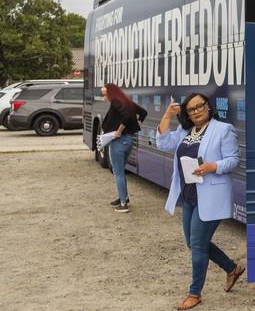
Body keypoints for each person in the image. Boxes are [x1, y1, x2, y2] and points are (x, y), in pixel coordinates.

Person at [157, 93, 245, 310]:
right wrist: (168, 115)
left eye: (200, 107)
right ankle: (232, 268)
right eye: (191, 109)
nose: (196, 112)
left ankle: (194, 293)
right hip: (189, 196)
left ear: (208, 107)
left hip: (211, 195)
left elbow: (234, 159)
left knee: (197, 245)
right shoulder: (185, 131)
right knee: (193, 243)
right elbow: (163, 143)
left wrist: (212, 167)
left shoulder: (223, 129)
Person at [101, 83, 147, 213]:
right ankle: (124, 197)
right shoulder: (126, 101)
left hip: (118, 142)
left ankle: (123, 204)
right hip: (128, 141)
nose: (104, 97)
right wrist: (136, 125)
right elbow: (143, 113)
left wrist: (119, 130)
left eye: (105, 95)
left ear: (111, 93)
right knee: (121, 171)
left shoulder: (116, 102)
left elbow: (126, 116)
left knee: (118, 173)